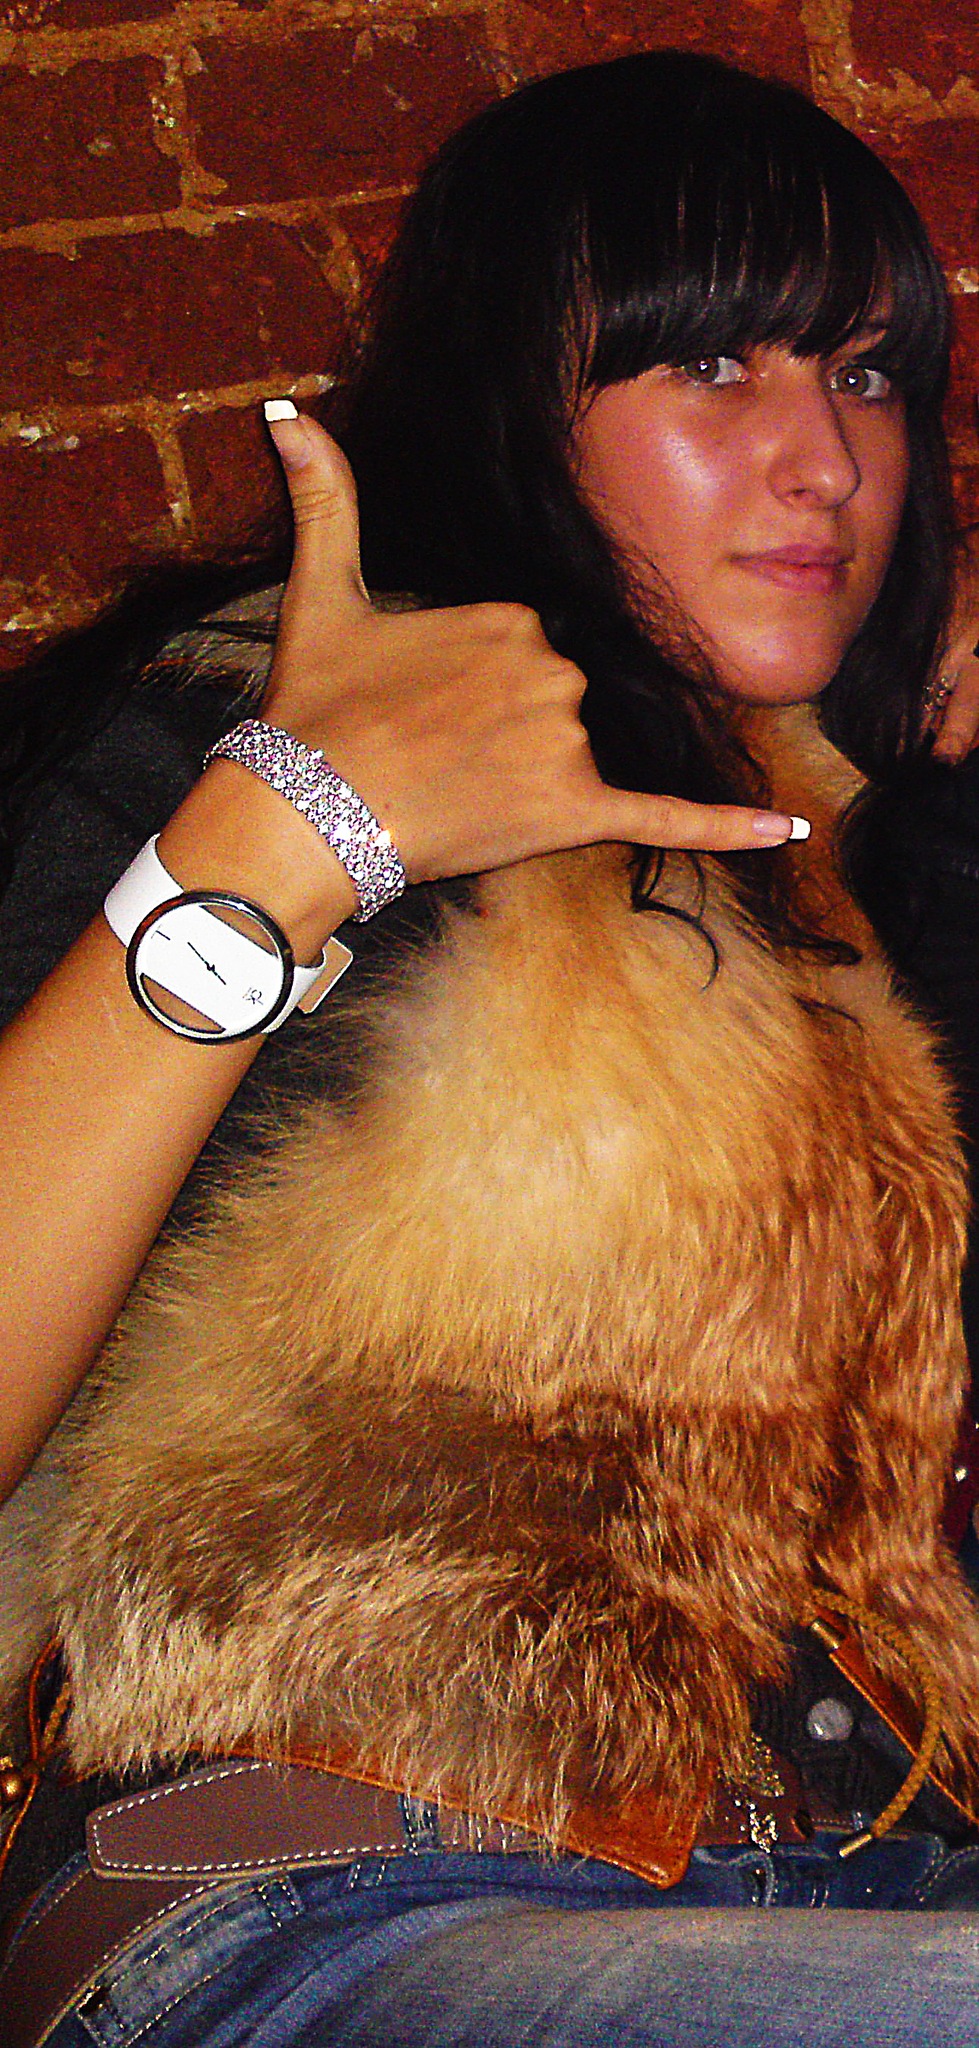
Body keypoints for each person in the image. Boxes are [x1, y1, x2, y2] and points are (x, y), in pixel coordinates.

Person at [3, 46, 979, 2048]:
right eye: (712, 366)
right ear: (513, 397)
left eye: (868, 376)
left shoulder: (846, 877)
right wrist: (289, 834)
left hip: (864, 1879)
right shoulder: (244, 728)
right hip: (328, 1897)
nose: (823, 459)